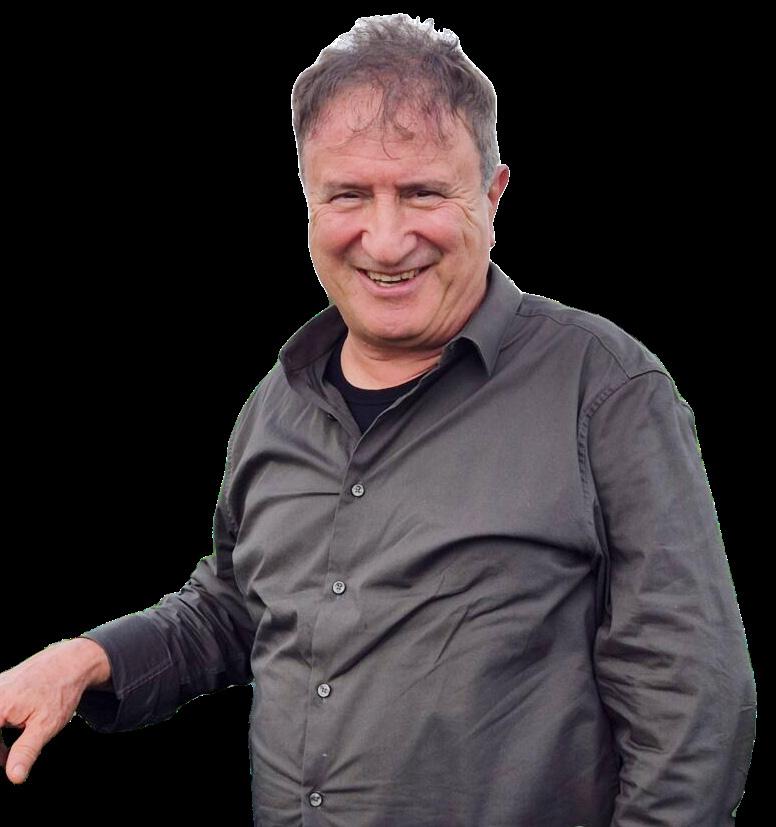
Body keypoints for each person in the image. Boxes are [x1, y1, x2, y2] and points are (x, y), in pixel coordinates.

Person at [0, 13, 756, 825]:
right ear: (309, 201)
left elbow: (692, 706)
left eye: (424, 192)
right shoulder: (276, 403)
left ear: (492, 195)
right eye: (349, 195)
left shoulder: (607, 392)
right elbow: (236, 604)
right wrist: (87, 658)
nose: (387, 240)